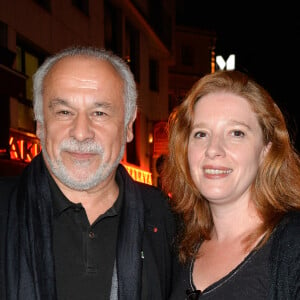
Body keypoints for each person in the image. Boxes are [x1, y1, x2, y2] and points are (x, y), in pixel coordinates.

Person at [0, 46, 176, 300]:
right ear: (39, 124)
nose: (81, 132)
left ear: (128, 125)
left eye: (99, 113)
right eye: (64, 112)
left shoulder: (167, 220)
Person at [162, 70, 300, 299]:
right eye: (201, 134)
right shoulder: (180, 247)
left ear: (266, 150)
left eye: (236, 133)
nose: (214, 149)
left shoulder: (293, 246)